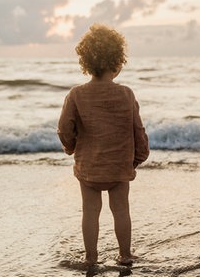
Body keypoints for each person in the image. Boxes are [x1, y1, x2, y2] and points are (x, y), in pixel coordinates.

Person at [57, 23, 149, 266]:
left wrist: (71, 148)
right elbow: (138, 130)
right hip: (119, 167)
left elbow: (64, 128)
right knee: (121, 211)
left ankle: (91, 257)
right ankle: (125, 254)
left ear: (85, 62)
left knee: (90, 211)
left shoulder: (76, 94)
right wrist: (138, 157)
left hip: (89, 167)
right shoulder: (127, 94)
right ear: (118, 62)